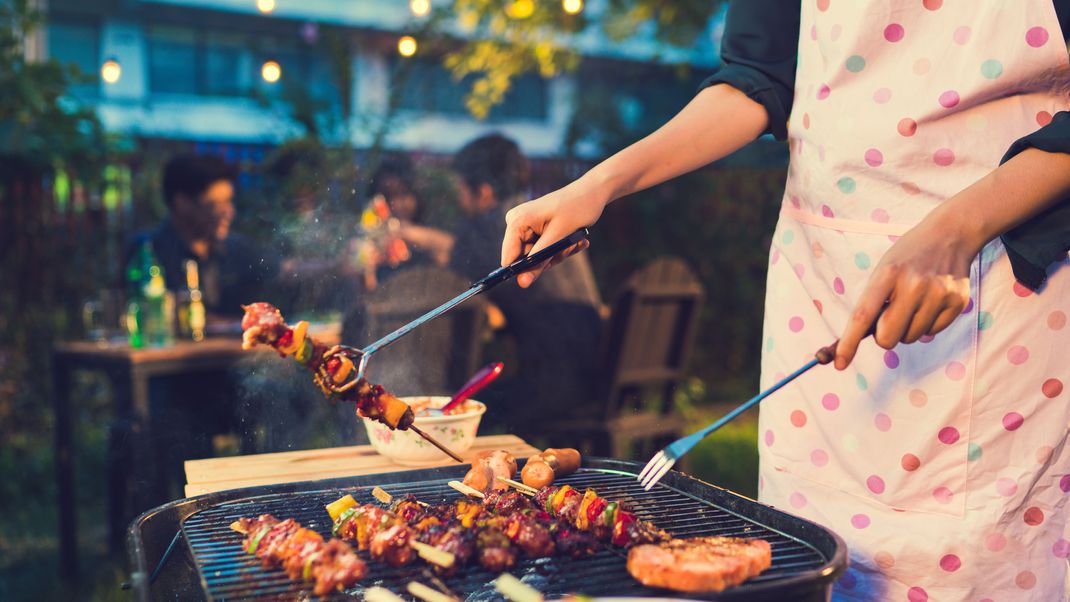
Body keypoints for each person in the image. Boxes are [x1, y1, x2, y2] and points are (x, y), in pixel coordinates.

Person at [500, 3, 1070, 601]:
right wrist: (598, 186)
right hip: (819, 285)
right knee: (806, 563)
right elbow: (757, 76)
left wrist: (958, 228)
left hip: (998, 293)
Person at [447, 134, 604, 432]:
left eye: (460, 192)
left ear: (483, 192)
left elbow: (454, 286)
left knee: (462, 400)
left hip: (550, 387)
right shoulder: (546, 218)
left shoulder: (486, 228)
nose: (459, 201)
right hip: (594, 375)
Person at [134, 153, 280, 320]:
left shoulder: (239, 249)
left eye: (230, 202)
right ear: (182, 203)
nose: (230, 212)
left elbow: (282, 271)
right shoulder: (147, 253)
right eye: (217, 204)